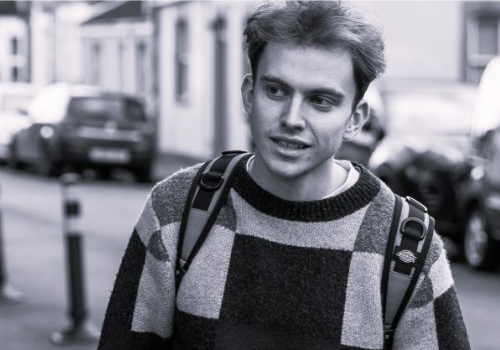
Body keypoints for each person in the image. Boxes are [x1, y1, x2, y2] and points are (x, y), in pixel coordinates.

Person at [98, 2, 470, 349]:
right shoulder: (178, 211)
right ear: (249, 94)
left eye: (320, 100)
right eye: (276, 91)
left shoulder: (407, 249)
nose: (292, 119)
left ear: (355, 119)